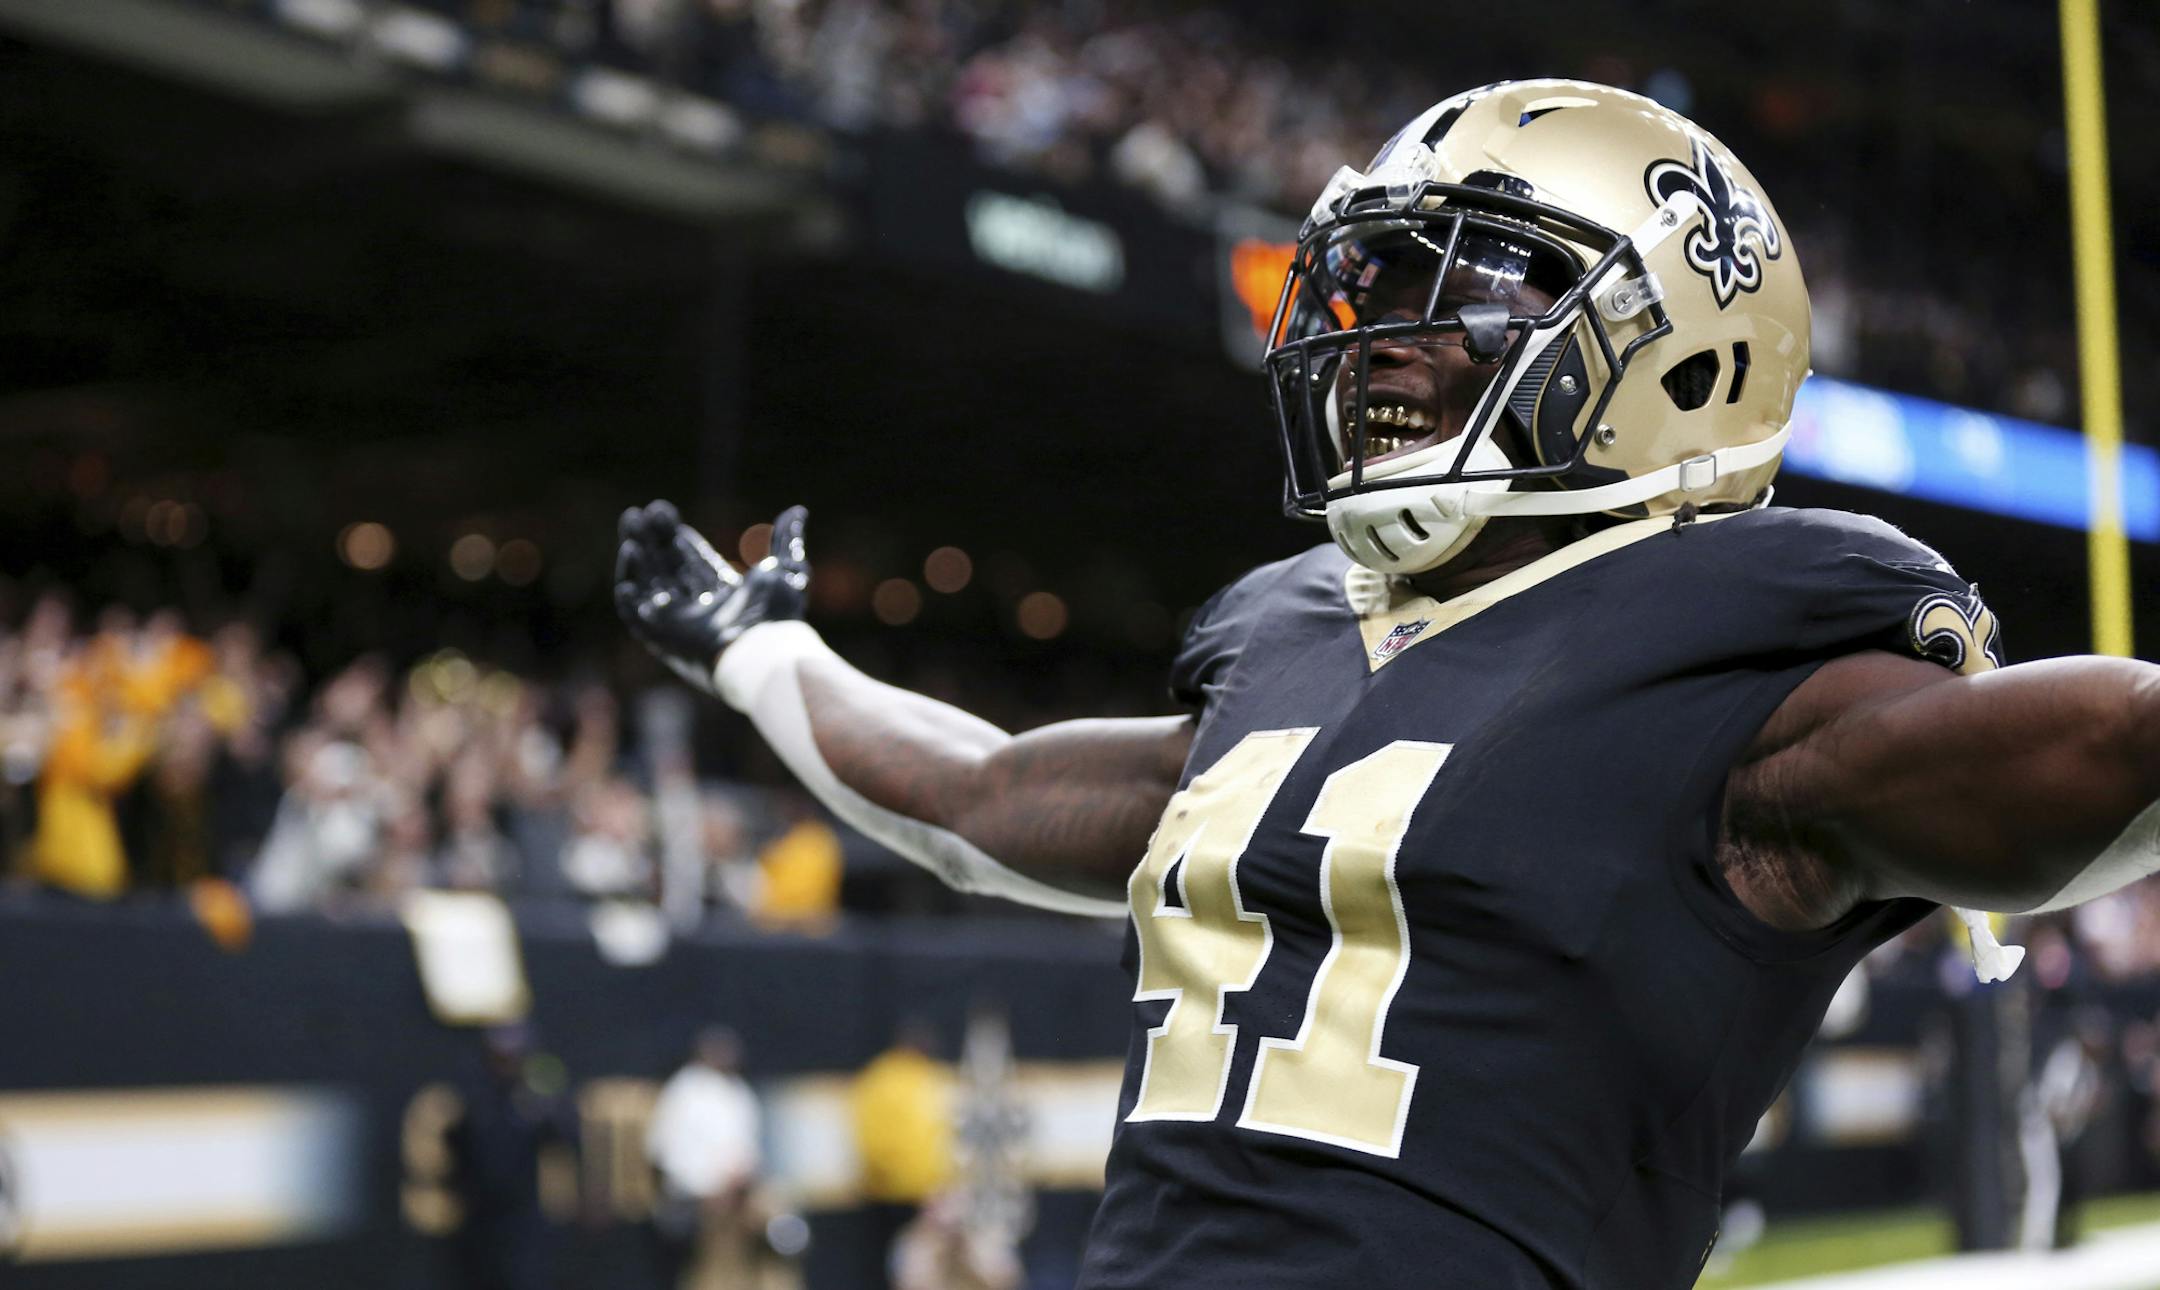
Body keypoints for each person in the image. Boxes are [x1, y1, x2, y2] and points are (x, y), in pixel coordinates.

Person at [615, 78, 2160, 1289]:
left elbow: (2107, 752)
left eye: (1475, 282)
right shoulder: (1288, 635)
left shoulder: (1744, 660)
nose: (1382, 337)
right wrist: (765, 654)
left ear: (1682, 358)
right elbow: (971, 796)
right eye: (1376, 282)